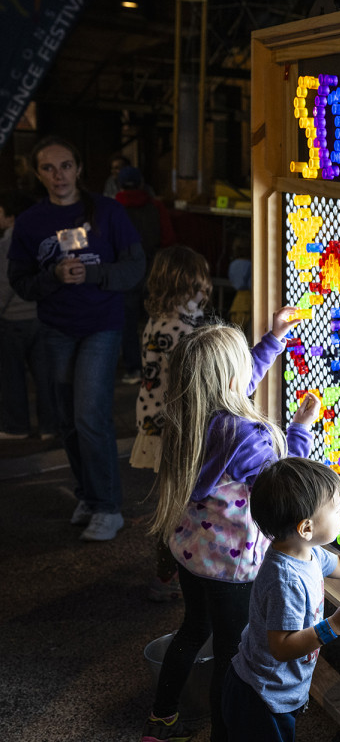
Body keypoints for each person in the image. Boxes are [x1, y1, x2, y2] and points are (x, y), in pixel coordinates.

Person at [141, 317, 320, 742]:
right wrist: (300, 430)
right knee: (231, 656)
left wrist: (274, 340)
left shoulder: (189, 411)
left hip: (191, 553)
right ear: (230, 376)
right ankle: (224, 735)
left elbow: (233, 382)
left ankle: (160, 719)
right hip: (233, 569)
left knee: (192, 629)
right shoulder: (248, 435)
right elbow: (282, 489)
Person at [7, 135, 146, 541]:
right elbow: (20, 281)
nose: (58, 175)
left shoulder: (108, 211)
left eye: (65, 165)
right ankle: (87, 493)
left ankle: (108, 507)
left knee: (89, 415)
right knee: (65, 420)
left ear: (79, 169)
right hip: (55, 328)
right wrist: (52, 277)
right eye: (48, 168)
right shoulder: (31, 222)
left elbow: (135, 266)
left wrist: (96, 274)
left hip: (101, 326)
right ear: (37, 174)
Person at [222, 457, 340, 742]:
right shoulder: (285, 580)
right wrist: (336, 624)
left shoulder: (305, 551)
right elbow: (281, 647)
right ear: (306, 528)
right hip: (262, 696)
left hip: (278, 688)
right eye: (336, 510)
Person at [128, 245, 212, 602]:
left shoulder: (159, 320)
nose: (205, 292)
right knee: (175, 504)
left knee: (172, 499)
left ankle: (171, 571)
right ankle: (168, 574)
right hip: (173, 429)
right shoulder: (180, 329)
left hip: (155, 423)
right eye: (199, 286)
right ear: (183, 288)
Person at [0, 189, 59, 440]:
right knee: (46, 376)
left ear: (11, 216)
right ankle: (50, 426)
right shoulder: (44, 239)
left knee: (12, 377)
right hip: (42, 316)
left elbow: (5, 283)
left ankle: (16, 427)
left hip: (13, 319)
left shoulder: (7, 242)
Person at [114, 164, 176, 383]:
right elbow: (168, 239)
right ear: (142, 183)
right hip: (154, 270)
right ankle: (160, 368)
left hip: (125, 272)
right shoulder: (155, 207)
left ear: (119, 184)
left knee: (128, 323)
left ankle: (133, 369)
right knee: (159, 319)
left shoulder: (113, 208)